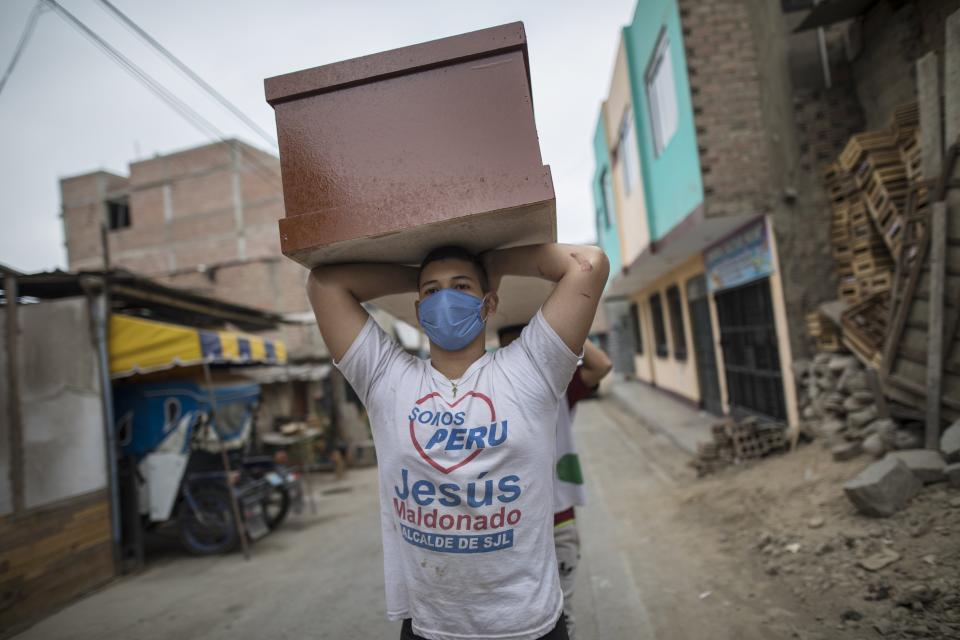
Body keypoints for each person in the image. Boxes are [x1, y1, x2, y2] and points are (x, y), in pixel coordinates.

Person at [306, 243, 608, 640]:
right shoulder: (386, 380)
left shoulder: (533, 369)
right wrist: (419, 273)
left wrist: (495, 263)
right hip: (430, 628)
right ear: (417, 310)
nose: (445, 298)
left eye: (461, 287)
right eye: (431, 292)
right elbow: (325, 283)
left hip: (527, 625)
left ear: (489, 303)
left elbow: (589, 264)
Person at [497, 326, 612, 640]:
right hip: (512, 527)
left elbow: (601, 365)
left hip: (559, 519)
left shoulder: (558, 388)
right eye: (511, 348)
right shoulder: (491, 396)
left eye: (527, 344)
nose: (520, 355)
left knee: (563, 614)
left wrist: (557, 329)